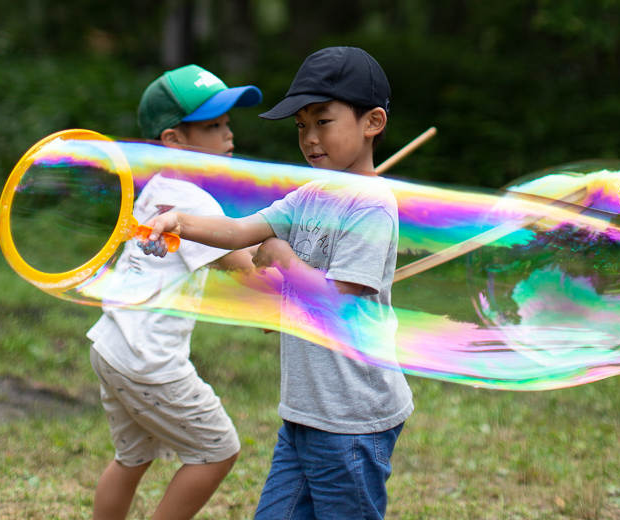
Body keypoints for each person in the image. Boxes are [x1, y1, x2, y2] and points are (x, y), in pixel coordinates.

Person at [140, 47, 414, 520]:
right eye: (300, 126)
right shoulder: (309, 195)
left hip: (351, 419)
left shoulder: (371, 207)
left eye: (322, 122)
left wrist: (284, 257)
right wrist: (179, 220)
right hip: (305, 413)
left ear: (372, 122)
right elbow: (241, 230)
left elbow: (334, 305)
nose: (309, 138)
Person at [86, 64, 262, 520]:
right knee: (218, 450)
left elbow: (232, 240)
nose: (228, 137)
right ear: (173, 141)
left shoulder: (159, 191)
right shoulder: (193, 203)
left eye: (227, 124)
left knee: (132, 458)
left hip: (111, 346)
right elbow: (244, 265)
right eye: (213, 126)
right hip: (149, 362)